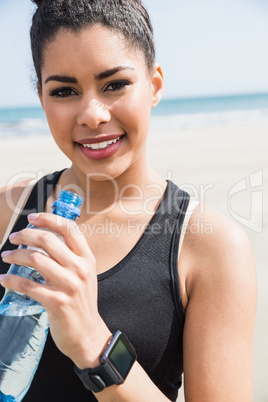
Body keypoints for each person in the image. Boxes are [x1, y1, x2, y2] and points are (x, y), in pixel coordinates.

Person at [0, 0, 257, 400]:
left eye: (114, 84)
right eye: (64, 91)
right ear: (41, 97)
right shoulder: (7, 214)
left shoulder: (211, 247)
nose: (92, 114)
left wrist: (93, 344)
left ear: (154, 85)